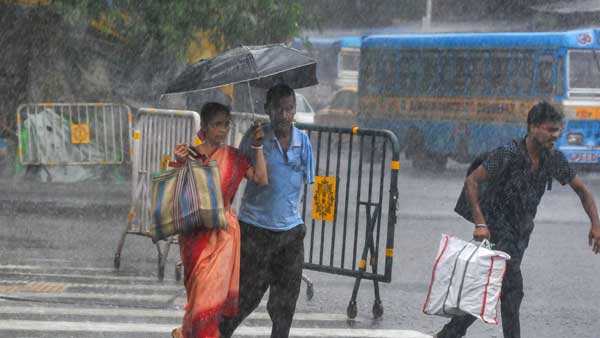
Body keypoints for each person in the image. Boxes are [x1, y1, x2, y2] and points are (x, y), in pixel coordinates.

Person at [434, 101, 600, 338]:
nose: (556, 135)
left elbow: (582, 190)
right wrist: (480, 223)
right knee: (511, 291)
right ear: (532, 127)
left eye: (558, 130)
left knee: (489, 290)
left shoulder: (553, 159)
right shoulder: (508, 153)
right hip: (495, 233)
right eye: (550, 129)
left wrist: (595, 224)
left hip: (520, 236)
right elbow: (472, 180)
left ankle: (449, 334)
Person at [219, 83, 315, 338]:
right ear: (267, 110)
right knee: (244, 299)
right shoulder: (253, 138)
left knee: (284, 306)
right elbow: (237, 174)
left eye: (289, 109)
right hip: (255, 231)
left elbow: (306, 184)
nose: (284, 115)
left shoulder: (303, 142)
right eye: (279, 109)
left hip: (290, 235)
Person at [170, 102, 268, 338]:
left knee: (211, 295)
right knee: (198, 293)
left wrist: (257, 146)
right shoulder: (190, 154)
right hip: (195, 234)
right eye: (217, 125)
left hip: (223, 234)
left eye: (226, 125)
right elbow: (177, 194)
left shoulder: (234, 157)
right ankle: (188, 332)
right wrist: (178, 163)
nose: (222, 130)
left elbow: (261, 179)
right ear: (204, 126)